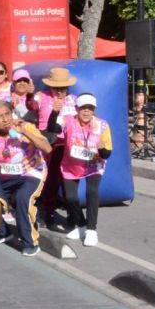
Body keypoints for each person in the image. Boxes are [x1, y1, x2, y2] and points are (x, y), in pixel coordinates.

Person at [0, 100, 52, 256]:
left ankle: (30, 242)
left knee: (23, 198)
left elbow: (47, 148)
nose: (5, 119)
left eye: (7, 114)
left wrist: (25, 132)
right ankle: (1, 232)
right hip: (7, 176)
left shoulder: (26, 126)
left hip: (32, 172)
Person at [49, 93, 112, 247]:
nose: (86, 111)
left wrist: (102, 149)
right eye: (83, 108)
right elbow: (52, 128)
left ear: (94, 110)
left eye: (90, 108)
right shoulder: (69, 121)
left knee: (91, 191)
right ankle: (82, 225)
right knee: (70, 198)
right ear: (77, 108)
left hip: (93, 164)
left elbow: (107, 153)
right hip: (71, 165)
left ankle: (91, 230)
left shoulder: (102, 125)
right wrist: (54, 112)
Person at [37, 67, 79, 227]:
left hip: (69, 145)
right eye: (56, 88)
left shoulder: (74, 100)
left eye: (63, 88)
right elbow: (28, 105)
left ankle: (72, 215)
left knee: (68, 181)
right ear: (50, 87)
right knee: (51, 180)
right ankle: (48, 212)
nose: (60, 91)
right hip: (50, 144)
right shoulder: (41, 97)